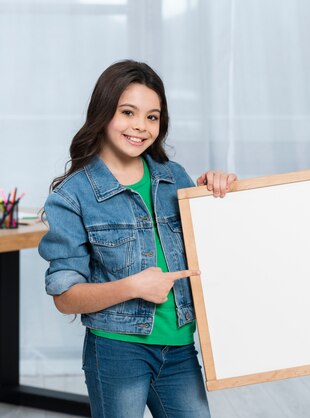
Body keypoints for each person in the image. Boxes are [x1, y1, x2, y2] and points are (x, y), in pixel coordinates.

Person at [38, 60, 236, 418]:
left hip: (179, 348)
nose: (140, 127)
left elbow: (213, 252)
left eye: (152, 117)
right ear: (103, 112)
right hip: (117, 351)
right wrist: (133, 287)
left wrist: (215, 193)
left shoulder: (174, 177)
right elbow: (65, 298)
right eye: (128, 112)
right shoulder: (72, 196)